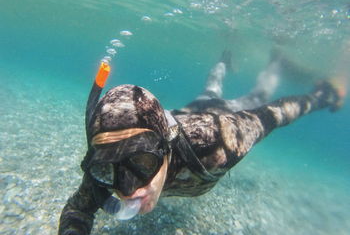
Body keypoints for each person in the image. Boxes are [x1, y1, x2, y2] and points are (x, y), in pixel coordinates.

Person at [58, 49, 346, 235]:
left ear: (165, 146)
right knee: (208, 91)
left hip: (212, 119)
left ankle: (272, 61)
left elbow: (277, 113)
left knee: (254, 97)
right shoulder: (106, 169)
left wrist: (320, 98)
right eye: (109, 166)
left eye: (141, 163)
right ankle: (223, 58)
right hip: (177, 118)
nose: (127, 188)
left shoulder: (219, 144)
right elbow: (77, 210)